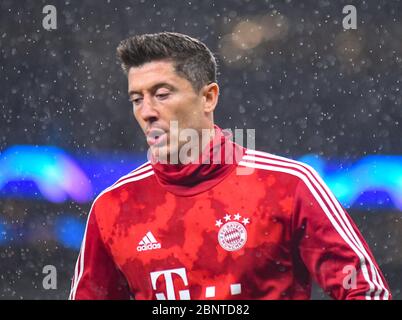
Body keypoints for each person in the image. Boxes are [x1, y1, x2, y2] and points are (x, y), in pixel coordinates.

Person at [69, 32, 391, 300]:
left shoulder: (289, 185)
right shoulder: (113, 207)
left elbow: (366, 292)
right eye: (136, 99)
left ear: (208, 98)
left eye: (162, 94)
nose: (147, 111)